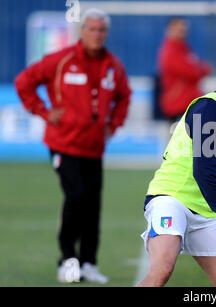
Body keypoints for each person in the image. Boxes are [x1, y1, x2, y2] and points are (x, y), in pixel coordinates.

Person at [14, 8, 131, 284]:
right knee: (76, 197)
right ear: (82, 31)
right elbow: (24, 82)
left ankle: (89, 262)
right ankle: (67, 260)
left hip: (94, 148)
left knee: (93, 206)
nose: (97, 34)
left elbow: (124, 96)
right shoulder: (61, 60)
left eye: (102, 30)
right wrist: (43, 112)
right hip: (63, 144)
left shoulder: (113, 66)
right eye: (92, 29)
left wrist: (113, 125)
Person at [137, 54, 216, 287]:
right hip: (173, 199)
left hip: (207, 208)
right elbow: (204, 172)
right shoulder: (209, 109)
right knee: (162, 270)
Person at [157, 17, 212, 121]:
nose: (183, 31)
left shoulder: (184, 48)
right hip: (178, 104)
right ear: (170, 29)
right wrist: (203, 69)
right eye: (179, 28)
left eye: (184, 28)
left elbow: (195, 67)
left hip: (188, 102)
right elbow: (192, 71)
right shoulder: (171, 51)